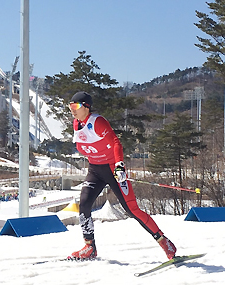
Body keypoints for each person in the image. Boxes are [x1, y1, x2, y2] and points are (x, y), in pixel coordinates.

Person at [67, 91, 177, 260]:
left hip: (112, 169)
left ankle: (163, 241)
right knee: (84, 205)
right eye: (70, 106)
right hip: (95, 170)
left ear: (86, 107)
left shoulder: (97, 122)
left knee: (132, 210)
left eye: (75, 106)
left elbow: (115, 142)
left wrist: (119, 165)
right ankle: (89, 247)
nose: (72, 109)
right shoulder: (76, 124)